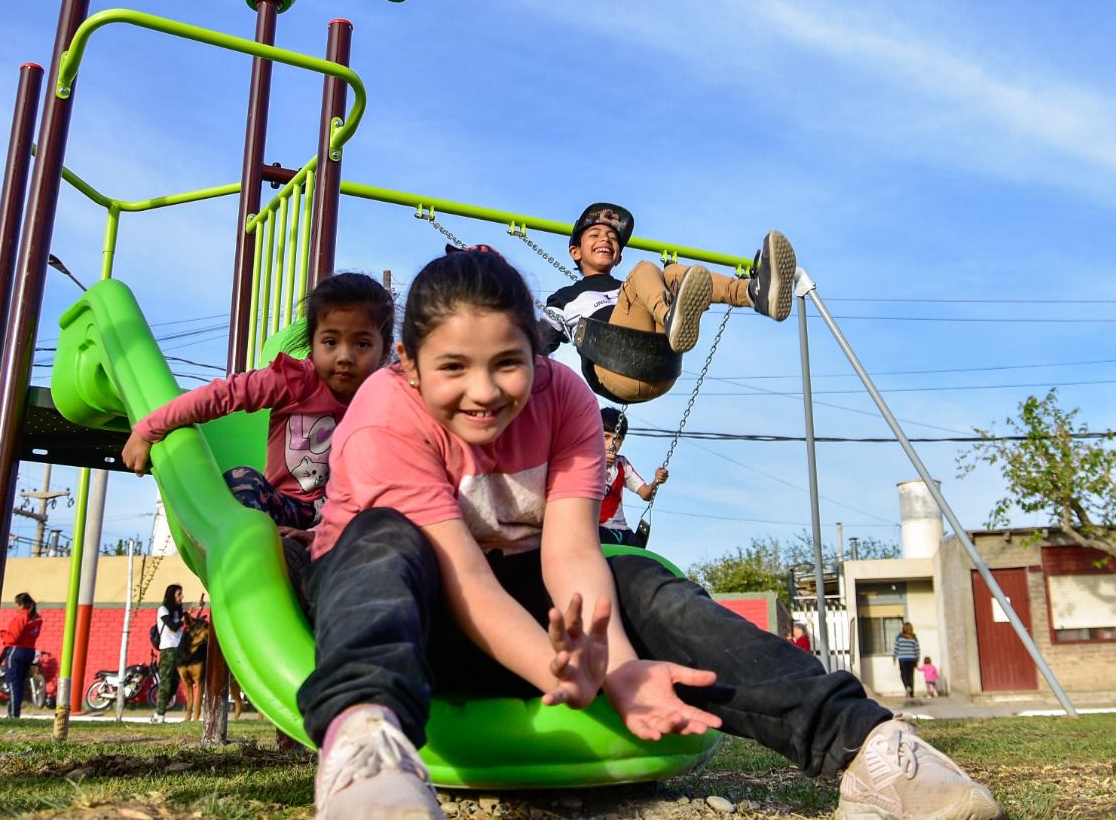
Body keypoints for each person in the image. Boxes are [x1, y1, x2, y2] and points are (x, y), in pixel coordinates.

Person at [298, 247, 999, 820]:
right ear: (408, 365)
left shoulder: (565, 398)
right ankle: (367, 752)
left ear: (536, 356)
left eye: (506, 362)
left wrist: (618, 663)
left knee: (636, 573)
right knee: (387, 537)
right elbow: (464, 579)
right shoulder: (384, 414)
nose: (484, 390)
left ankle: (868, 749)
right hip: (403, 611)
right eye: (453, 367)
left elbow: (571, 549)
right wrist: (571, 668)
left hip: (522, 605)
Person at [123, 272, 393, 544]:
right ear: (312, 342)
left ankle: (316, 548)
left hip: (341, 520)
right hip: (283, 507)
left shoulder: (382, 405)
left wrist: (323, 534)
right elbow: (223, 395)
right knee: (242, 479)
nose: (345, 356)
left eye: (362, 344)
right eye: (331, 342)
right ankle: (266, 546)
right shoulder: (294, 380)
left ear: (384, 351)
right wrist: (149, 428)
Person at [540, 203, 795, 403]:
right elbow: (536, 345)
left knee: (670, 274)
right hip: (613, 370)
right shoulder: (565, 298)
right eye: (594, 234)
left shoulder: (633, 288)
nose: (605, 240)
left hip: (660, 369)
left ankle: (756, 293)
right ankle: (670, 317)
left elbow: (649, 283)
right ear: (575, 251)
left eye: (613, 238)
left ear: (619, 257)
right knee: (646, 269)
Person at [596, 407, 665, 547]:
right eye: (606, 437)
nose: (612, 444)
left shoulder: (622, 464)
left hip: (620, 530)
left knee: (640, 555)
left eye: (618, 439)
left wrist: (656, 481)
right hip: (594, 527)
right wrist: (599, 463)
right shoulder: (585, 460)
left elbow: (646, 494)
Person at [0, 592, 42, 718]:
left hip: (16, 651)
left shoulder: (21, 617)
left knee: (13, 683)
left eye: (16, 604)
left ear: (21, 605)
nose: (15, 607)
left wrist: (2, 634)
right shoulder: (36, 618)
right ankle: (14, 712)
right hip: (29, 651)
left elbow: (13, 638)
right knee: (19, 684)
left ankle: (13, 714)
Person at [153, 583, 189, 722]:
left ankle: (158, 713)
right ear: (171, 595)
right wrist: (182, 620)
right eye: (179, 594)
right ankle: (160, 715)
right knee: (165, 683)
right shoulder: (163, 610)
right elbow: (173, 627)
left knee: (174, 683)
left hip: (179, 649)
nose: (182, 597)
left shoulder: (178, 611)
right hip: (168, 649)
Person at [893, 622, 920, 700]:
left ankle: (907, 687)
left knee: (903, 675)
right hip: (912, 659)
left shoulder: (899, 636)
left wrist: (894, 657)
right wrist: (917, 659)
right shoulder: (914, 637)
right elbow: (917, 649)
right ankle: (911, 694)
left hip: (903, 658)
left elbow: (896, 647)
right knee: (911, 675)